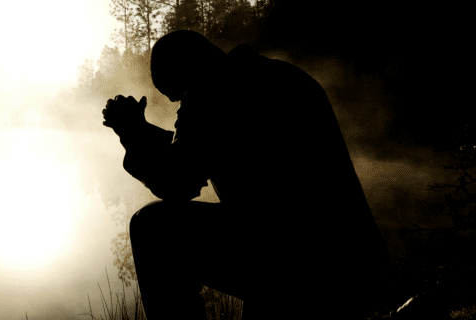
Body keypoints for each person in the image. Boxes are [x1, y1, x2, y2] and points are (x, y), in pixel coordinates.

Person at [102, 30, 391, 319]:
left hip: (301, 264)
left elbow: (177, 180)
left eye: (181, 96)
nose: (181, 108)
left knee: (152, 228)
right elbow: (201, 147)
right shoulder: (276, 76)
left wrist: (132, 134)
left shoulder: (214, 93)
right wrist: (141, 132)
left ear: (190, 70)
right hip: (352, 260)